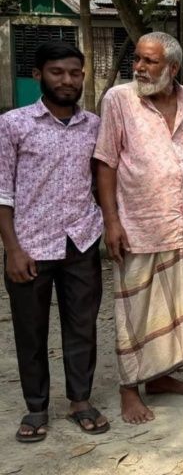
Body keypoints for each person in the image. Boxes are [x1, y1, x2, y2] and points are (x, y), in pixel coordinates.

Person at [94, 31, 183, 424]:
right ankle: (129, 388)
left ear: (173, 68)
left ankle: (161, 377)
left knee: (172, 309)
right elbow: (106, 162)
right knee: (136, 310)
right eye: (137, 59)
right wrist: (111, 221)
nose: (139, 67)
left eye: (149, 61)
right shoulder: (119, 99)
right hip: (137, 224)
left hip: (181, 223)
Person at [0, 42, 108, 442]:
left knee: (82, 327)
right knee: (31, 332)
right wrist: (12, 249)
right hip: (29, 246)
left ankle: (80, 401)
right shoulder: (13, 124)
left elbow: (102, 179)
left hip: (81, 241)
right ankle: (36, 408)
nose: (67, 80)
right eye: (57, 72)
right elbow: (2, 191)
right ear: (38, 75)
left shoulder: (94, 126)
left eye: (74, 73)